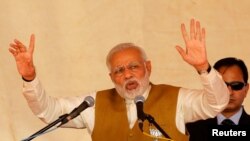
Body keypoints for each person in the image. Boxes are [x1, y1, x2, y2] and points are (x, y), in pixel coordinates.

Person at [9, 19, 229, 141]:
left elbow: (216, 104)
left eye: (134, 67)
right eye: (119, 70)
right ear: (111, 77)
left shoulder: (177, 99)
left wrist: (203, 68)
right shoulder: (93, 104)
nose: (127, 75)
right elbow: (49, 112)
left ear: (148, 67)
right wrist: (30, 77)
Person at [186, 57, 250, 141]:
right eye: (222, 85)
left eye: (236, 85)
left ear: (246, 89)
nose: (229, 92)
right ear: (212, 88)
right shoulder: (190, 129)